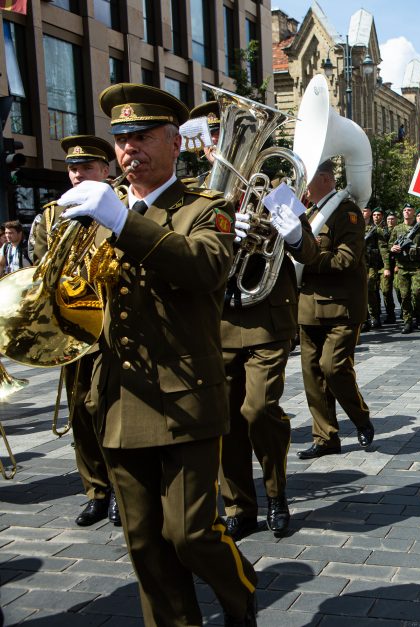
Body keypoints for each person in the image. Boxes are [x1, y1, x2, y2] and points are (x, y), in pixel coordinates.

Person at [56, 83, 257, 625]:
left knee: (190, 534)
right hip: (121, 397)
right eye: (121, 140)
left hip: (187, 398)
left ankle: (241, 600)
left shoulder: (204, 206)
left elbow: (203, 268)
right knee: (144, 543)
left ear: (174, 142)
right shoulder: (100, 210)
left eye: (142, 137)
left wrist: (123, 225)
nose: (128, 150)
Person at [218, 151, 319, 541]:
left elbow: (309, 252)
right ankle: (239, 506)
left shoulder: (277, 195)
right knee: (225, 420)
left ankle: (276, 493)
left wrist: (294, 233)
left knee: (258, 409)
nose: (218, 156)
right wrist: (223, 237)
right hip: (220, 321)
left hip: (266, 322)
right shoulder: (203, 199)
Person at [30, 135, 121, 529]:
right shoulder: (52, 215)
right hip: (72, 328)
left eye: (86, 167)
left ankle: (122, 489)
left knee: (107, 409)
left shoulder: (120, 207)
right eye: (72, 168)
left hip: (112, 327)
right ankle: (96, 491)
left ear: (105, 171)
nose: (77, 174)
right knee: (81, 411)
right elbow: (39, 268)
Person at [296, 160, 375, 460]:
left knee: (334, 367)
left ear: (327, 179)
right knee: (312, 375)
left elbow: (345, 259)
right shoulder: (307, 212)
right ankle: (325, 437)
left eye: (309, 177)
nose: (303, 184)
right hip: (308, 306)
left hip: (341, 306)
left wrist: (306, 254)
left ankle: (360, 417)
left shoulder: (347, 212)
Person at [389, 204, 420, 333]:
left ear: (413, 213)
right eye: (405, 210)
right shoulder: (397, 228)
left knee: (417, 293)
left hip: (417, 267)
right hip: (402, 267)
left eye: (409, 210)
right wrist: (392, 248)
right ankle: (407, 321)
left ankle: (419, 318)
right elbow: (389, 244)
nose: (407, 212)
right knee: (404, 295)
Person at [363, 206, 389, 331]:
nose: (364, 212)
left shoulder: (375, 230)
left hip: (371, 265)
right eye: (362, 210)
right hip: (357, 264)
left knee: (370, 289)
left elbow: (383, 248)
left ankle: (374, 316)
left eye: (366, 210)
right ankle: (364, 318)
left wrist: (386, 266)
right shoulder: (354, 227)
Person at [384, 212, 399, 323]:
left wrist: (397, 264)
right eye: (388, 219)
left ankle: (405, 310)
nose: (390, 221)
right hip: (385, 264)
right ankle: (390, 314)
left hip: (398, 264)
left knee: (399, 290)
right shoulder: (382, 231)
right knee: (386, 290)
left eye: (392, 219)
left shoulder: (400, 230)